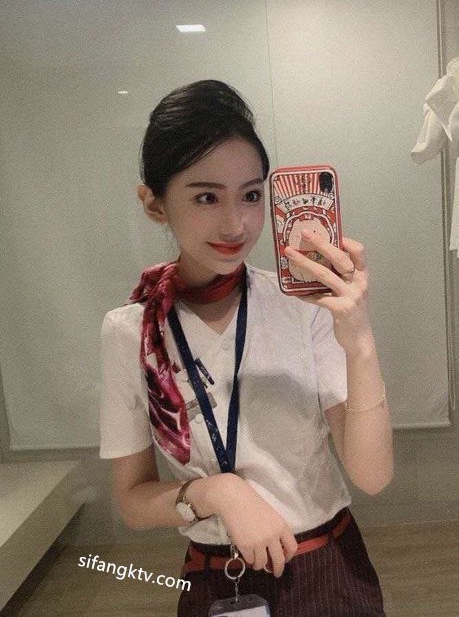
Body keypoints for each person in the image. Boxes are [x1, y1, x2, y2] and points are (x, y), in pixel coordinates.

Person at [98, 79, 394, 616]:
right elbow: (133, 502)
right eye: (206, 197)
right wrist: (218, 493)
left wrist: (361, 343)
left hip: (326, 567)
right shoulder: (131, 332)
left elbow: (372, 476)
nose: (236, 223)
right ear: (154, 203)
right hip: (215, 579)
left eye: (252, 195)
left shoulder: (302, 306)